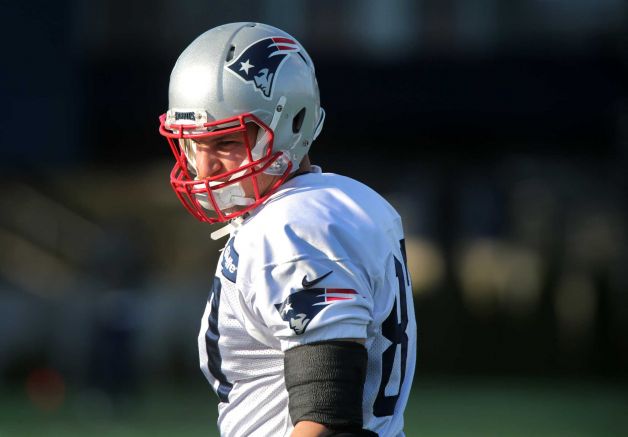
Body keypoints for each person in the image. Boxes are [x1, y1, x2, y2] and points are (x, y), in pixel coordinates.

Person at [158, 22, 417, 437]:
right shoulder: (350, 200)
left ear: (291, 124)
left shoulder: (291, 227)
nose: (204, 169)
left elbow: (327, 417)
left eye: (226, 143)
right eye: (193, 144)